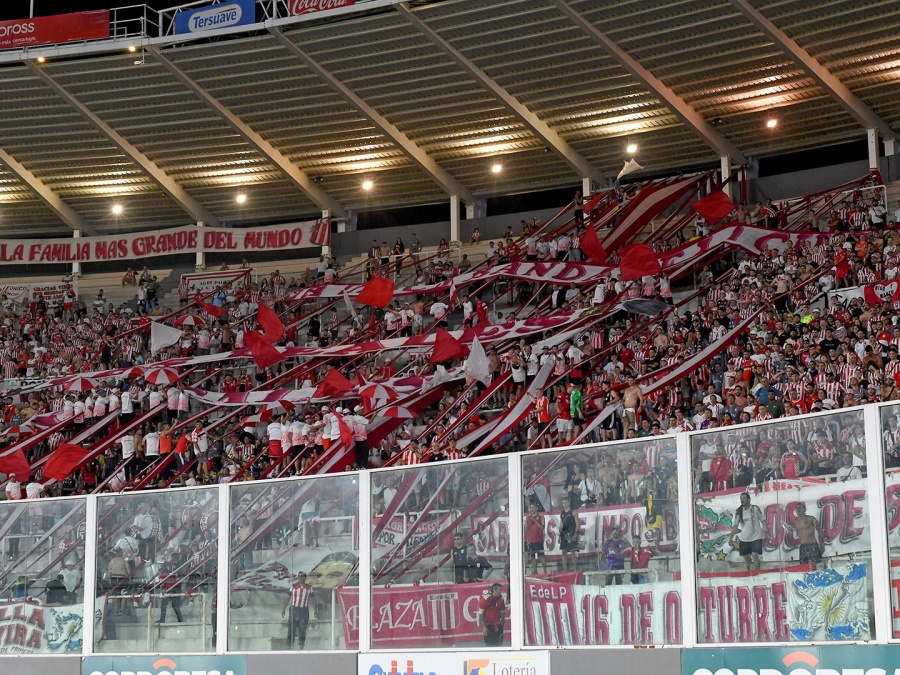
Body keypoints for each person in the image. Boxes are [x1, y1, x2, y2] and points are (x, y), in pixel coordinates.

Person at [731, 492, 766, 571]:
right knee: (747, 559)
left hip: (756, 537)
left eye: (744, 498)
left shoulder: (755, 508)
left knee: (755, 555)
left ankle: (757, 573)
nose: (742, 500)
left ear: (749, 499)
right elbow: (735, 526)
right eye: (741, 498)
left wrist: (766, 532)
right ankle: (749, 573)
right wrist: (731, 537)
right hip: (744, 538)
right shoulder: (739, 511)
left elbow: (763, 521)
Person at [282, 571, 314, 649]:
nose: (300, 578)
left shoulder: (309, 587)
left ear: (305, 577)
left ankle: (302, 645)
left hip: (304, 610)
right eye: (299, 576)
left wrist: (315, 609)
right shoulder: (293, 586)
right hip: (294, 609)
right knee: (291, 628)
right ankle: (289, 645)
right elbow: (288, 597)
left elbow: (313, 598)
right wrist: (284, 609)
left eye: (302, 576)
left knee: (303, 628)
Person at [793, 502, 825, 568]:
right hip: (802, 547)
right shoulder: (795, 522)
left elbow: (820, 531)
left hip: (812, 546)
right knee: (803, 568)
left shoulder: (811, 519)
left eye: (800, 508)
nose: (798, 509)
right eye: (797, 508)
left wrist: (822, 546)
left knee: (813, 567)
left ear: (804, 510)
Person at [524, 502, 547, 575]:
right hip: (531, 540)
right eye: (530, 508)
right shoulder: (527, 518)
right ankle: (535, 571)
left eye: (533, 507)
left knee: (541, 556)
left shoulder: (541, 516)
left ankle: (545, 572)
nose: (532, 509)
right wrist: (526, 524)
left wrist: (535, 521)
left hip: (539, 540)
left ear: (536, 508)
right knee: (533, 556)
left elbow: (542, 527)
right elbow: (526, 529)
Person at [559, 496, 579, 571]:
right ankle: (565, 569)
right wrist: (559, 536)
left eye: (565, 502)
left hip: (571, 533)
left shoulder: (573, 512)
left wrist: (575, 534)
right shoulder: (562, 513)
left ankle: (576, 569)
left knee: (573, 552)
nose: (564, 504)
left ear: (569, 503)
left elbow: (577, 524)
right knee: (564, 552)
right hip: (564, 534)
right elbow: (561, 525)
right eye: (563, 503)